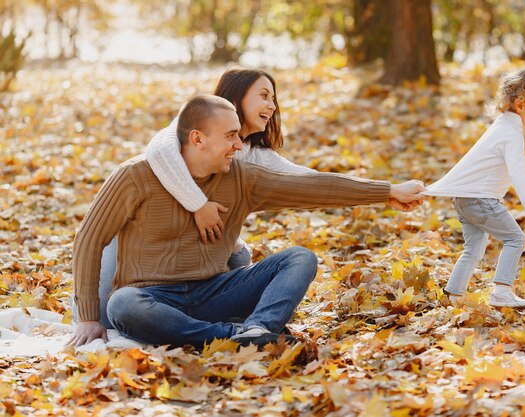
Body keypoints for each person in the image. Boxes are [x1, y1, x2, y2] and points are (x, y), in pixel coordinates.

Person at [69, 94, 426, 348]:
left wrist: (387, 191)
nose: (239, 145)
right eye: (230, 137)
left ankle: (258, 329)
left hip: (215, 290)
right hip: (151, 296)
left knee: (300, 257)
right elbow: (89, 239)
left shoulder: (241, 178)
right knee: (121, 306)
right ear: (198, 139)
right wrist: (88, 316)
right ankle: (229, 336)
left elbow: (312, 187)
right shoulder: (135, 176)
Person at [75, 68, 315, 330]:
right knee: (107, 316)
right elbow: (159, 151)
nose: (272, 105)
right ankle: (218, 329)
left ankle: (250, 330)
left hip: (199, 267)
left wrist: (365, 189)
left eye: (273, 98)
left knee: (244, 254)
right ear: (237, 99)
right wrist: (198, 205)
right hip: (141, 251)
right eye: (264, 96)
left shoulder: (257, 156)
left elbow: (311, 181)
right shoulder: (192, 126)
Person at [425, 66, 525, 308]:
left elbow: (509, 158)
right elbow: (515, 170)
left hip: (465, 198)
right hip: (480, 199)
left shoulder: (502, 126)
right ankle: (501, 292)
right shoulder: (511, 133)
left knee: (474, 247)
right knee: (516, 239)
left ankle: (454, 293)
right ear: (520, 105)